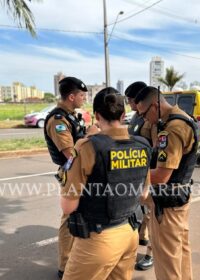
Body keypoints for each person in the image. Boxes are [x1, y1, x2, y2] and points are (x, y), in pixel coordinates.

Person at [60, 87, 151, 280]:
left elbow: (68, 206)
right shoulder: (143, 145)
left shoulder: (87, 146)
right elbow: (143, 195)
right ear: (124, 114)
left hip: (98, 239)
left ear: (97, 115)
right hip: (130, 233)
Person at [135, 86, 200, 280]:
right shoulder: (186, 119)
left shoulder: (171, 129)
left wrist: (132, 174)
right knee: (181, 254)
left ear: (155, 106)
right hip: (180, 196)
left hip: (168, 203)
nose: (144, 119)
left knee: (167, 262)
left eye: (144, 113)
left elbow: (162, 176)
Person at [44, 76, 88, 279]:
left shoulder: (70, 115)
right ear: (71, 96)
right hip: (71, 174)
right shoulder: (58, 120)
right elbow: (70, 155)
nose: (84, 99)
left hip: (80, 172)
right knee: (69, 219)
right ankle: (65, 264)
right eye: (82, 95)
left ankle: (75, 259)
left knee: (80, 216)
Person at [125, 81, 155, 271]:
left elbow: (156, 148)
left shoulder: (151, 119)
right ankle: (142, 237)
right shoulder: (136, 117)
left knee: (151, 215)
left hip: (149, 174)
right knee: (141, 211)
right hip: (137, 172)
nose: (129, 104)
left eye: (131, 100)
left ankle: (150, 255)